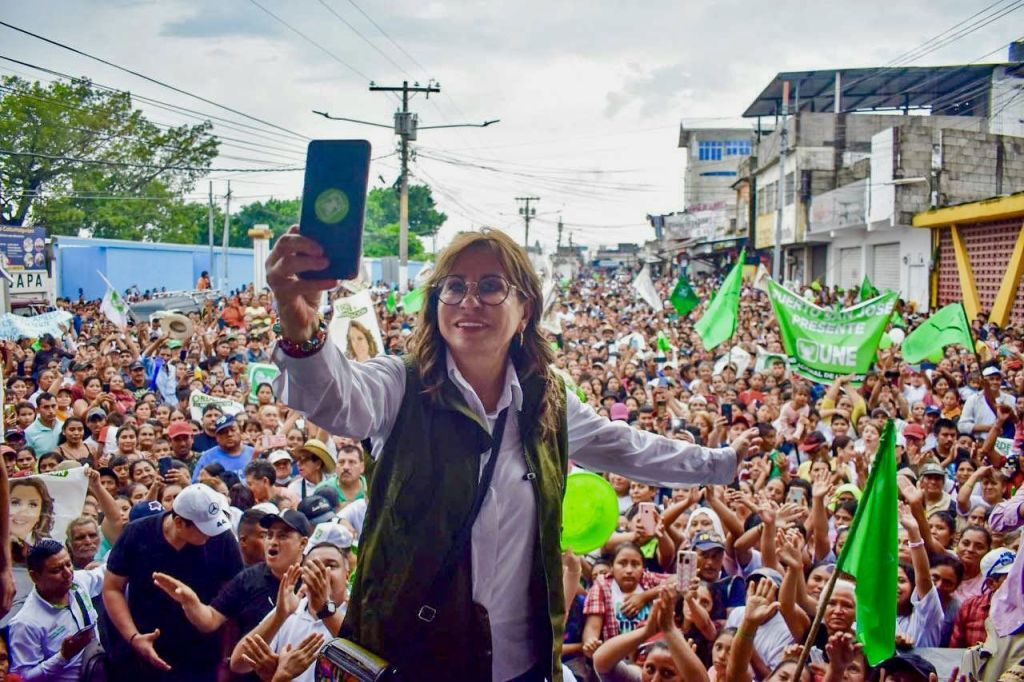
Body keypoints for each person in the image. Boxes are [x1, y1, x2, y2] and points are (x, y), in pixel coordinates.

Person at [267, 226, 760, 680]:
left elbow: (628, 447)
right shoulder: (400, 386)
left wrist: (721, 462)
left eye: (490, 287)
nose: (469, 301)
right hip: (413, 655)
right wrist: (299, 322)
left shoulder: (546, 399)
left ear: (525, 309)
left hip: (518, 661)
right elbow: (334, 398)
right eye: (454, 286)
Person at [101, 483, 243, 682]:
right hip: (146, 653)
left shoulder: (222, 538)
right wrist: (133, 637)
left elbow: (234, 601)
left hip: (202, 655)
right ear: (179, 523)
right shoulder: (137, 534)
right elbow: (112, 588)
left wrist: (226, 658)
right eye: (204, 529)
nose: (211, 534)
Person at [229, 523, 354, 682]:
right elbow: (238, 663)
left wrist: (325, 607)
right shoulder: (291, 609)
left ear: (347, 576)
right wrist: (280, 615)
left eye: (331, 565)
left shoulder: (356, 614)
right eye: (313, 566)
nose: (321, 571)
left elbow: (363, 662)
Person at [7, 540, 104, 682]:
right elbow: (23, 677)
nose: (67, 573)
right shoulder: (25, 623)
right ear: (35, 576)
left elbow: (109, 571)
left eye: (68, 564)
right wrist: (62, 657)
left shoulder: (77, 582)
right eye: (56, 570)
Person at [190, 414, 254, 483]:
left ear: (241, 432)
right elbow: (196, 485)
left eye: (233, 430)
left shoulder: (254, 453)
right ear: (217, 437)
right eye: (224, 432)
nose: (229, 434)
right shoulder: (207, 458)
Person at [24, 394, 62, 458]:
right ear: (37, 410)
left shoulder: (64, 426)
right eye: (46, 407)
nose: (51, 411)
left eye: (53, 406)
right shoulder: (28, 433)